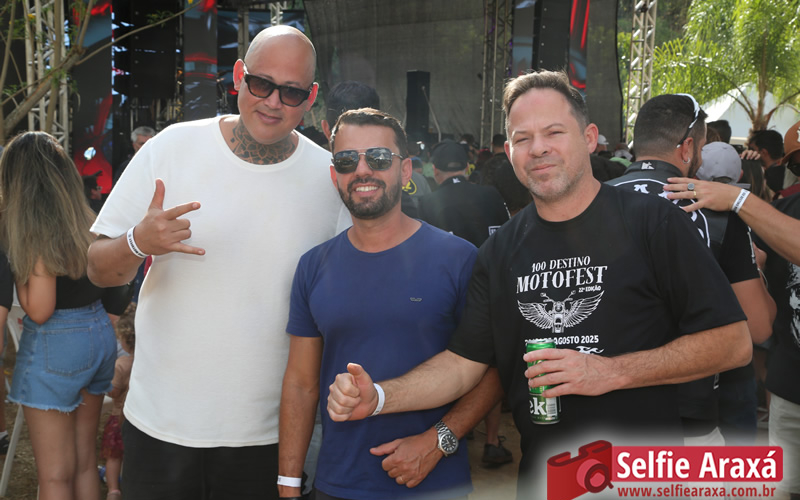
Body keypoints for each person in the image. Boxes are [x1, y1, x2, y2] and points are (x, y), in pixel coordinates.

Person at [326, 70, 752, 498]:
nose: (539, 148)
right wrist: (380, 397)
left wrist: (610, 372)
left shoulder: (652, 222)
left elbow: (733, 343)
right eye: (523, 138)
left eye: (554, 132)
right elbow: (461, 366)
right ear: (510, 152)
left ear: (589, 138)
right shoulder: (499, 252)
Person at [87, 26, 347, 500]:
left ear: (310, 98)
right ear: (239, 75)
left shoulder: (327, 179)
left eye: (291, 92)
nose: (273, 101)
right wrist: (138, 242)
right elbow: (98, 269)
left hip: (266, 436)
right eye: (261, 84)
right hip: (160, 424)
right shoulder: (172, 147)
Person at [280, 108, 503, 500]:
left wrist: (439, 440)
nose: (362, 170)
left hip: (433, 485)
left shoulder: (458, 258)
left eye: (379, 158)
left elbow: (494, 368)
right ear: (334, 175)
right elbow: (300, 385)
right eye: (347, 161)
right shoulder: (313, 266)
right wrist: (288, 484)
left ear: (405, 170)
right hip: (337, 483)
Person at [609, 96, 774, 447]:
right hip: (687, 417)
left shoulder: (588, 202)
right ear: (686, 148)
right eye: (700, 147)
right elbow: (759, 326)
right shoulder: (716, 212)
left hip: (602, 409)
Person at [1, 131, 118, 500]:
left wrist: (18, 277)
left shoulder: (34, 231)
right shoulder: (86, 219)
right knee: (84, 463)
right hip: (97, 334)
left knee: (54, 477)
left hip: (56, 345)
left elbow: (40, 308)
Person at [100, 302, 136, 500]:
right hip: (137, 420)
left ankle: (113, 489)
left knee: (113, 456)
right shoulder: (147, 362)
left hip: (117, 418)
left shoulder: (121, 365)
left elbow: (113, 392)